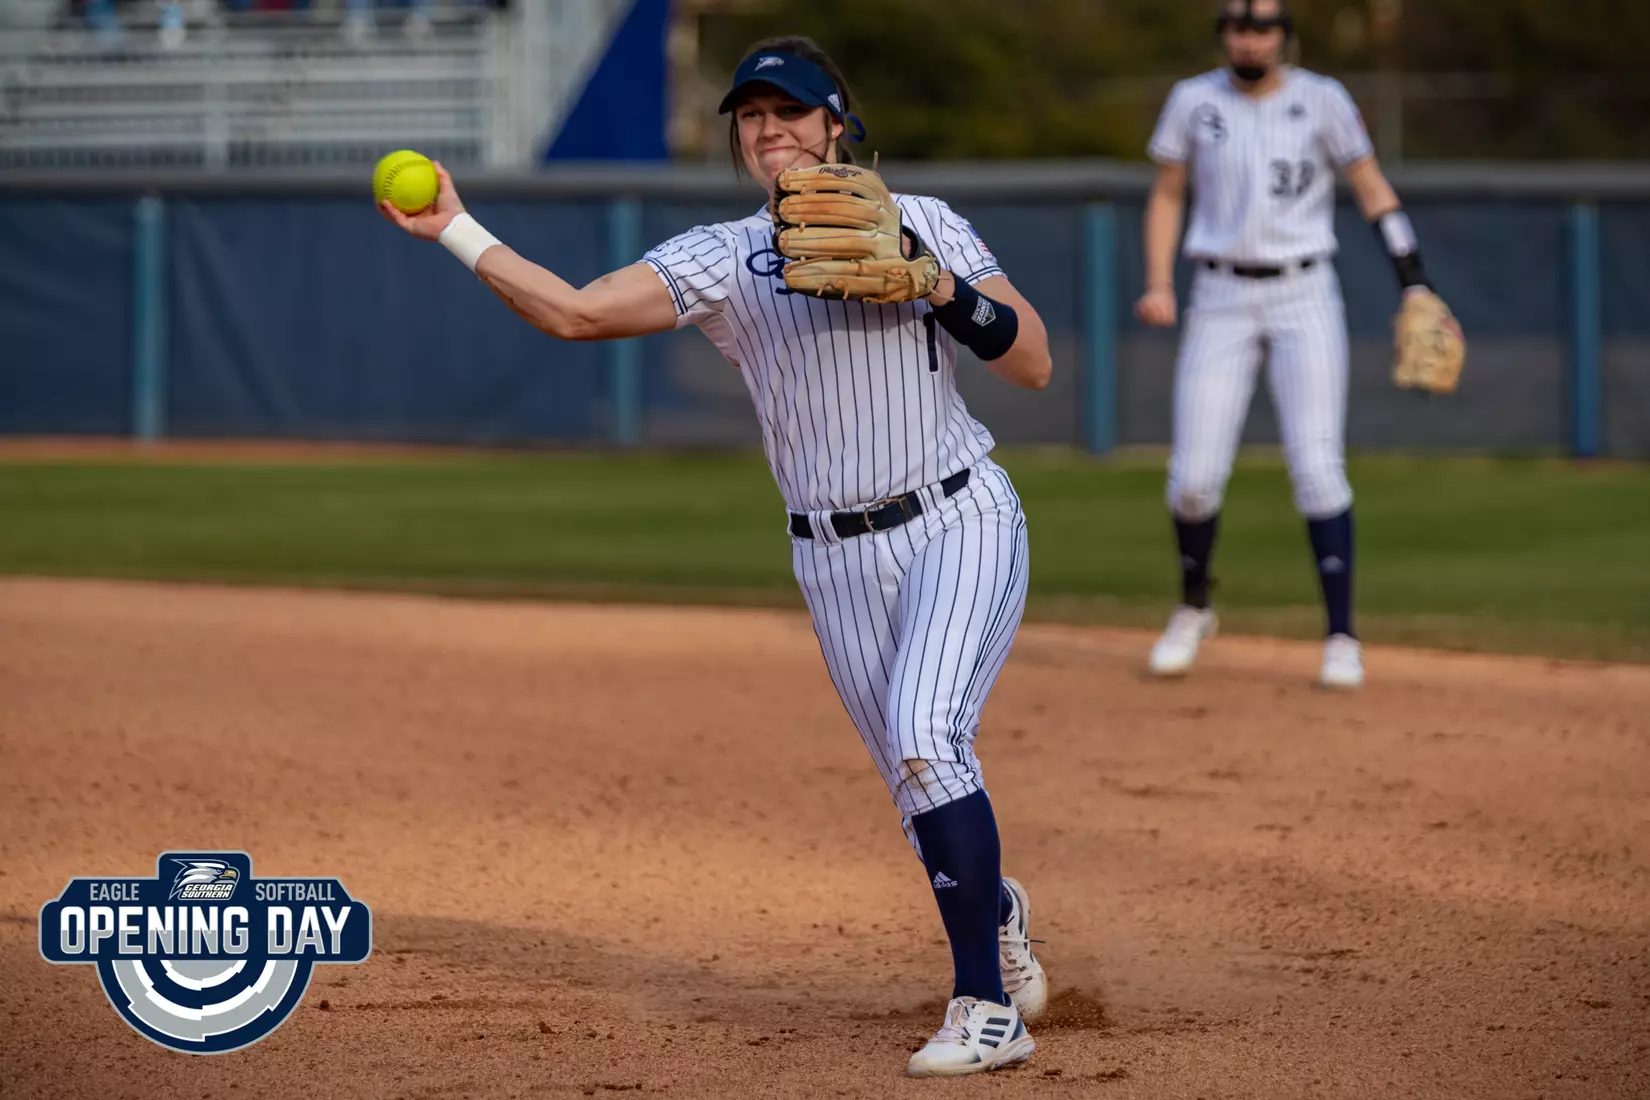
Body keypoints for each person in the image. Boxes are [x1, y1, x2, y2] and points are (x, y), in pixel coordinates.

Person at [379, 35, 1053, 1078]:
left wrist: (934, 287)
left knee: (926, 733)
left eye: (791, 111)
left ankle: (985, 1006)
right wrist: (455, 227)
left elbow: (1035, 359)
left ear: (839, 126)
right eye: (751, 115)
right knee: (918, 784)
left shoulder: (922, 222)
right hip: (830, 559)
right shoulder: (726, 257)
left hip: (960, 517)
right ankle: (995, 904)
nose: (770, 128)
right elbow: (576, 311)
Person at [1137, 0, 1459, 689]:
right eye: (1237, 26)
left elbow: (1373, 189)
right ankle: (1195, 606)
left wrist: (1415, 281)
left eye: (1263, 28)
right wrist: (1158, 279)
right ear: (1223, 33)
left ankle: (1341, 636)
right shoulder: (1193, 101)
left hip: (1303, 294)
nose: (1249, 39)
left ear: (1284, 37)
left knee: (1317, 468)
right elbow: (1167, 193)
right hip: (1218, 294)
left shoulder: (1324, 100)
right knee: (1192, 480)